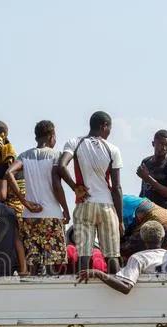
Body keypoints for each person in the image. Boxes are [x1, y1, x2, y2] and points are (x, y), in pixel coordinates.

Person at [57, 111, 124, 273]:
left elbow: (61, 165)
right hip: (107, 206)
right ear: (104, 126)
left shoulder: (74, 143)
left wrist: (75, 188)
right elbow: (116, 188)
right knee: (112, 255)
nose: (109, 132)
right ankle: (114, 283)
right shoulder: (113, 149)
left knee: (84, 254)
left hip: (84, 204)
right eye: (109, 129)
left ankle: (82, 288)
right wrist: (120, 219)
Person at [3, 121, 67, 275]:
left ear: (36, 137)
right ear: (52, 136)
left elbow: (8, 173)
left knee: (32, 263)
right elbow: (57, 187)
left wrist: (24, 201)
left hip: (30, 215)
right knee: (52, 264)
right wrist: (65, 209)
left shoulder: (25, 156)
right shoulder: (56, 156)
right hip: (51, 214)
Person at [78, 221, 167, 294]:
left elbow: (126, 288)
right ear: (162, 237)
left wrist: (98, 273)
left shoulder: (139, 258)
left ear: (142, 239)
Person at [136, 129, 167, 213]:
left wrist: (148, 178)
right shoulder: (146, 162)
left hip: (164, 214)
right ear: (153, 144)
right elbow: (144, 190)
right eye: (161, 144)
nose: (164, 148)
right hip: (146, 213)